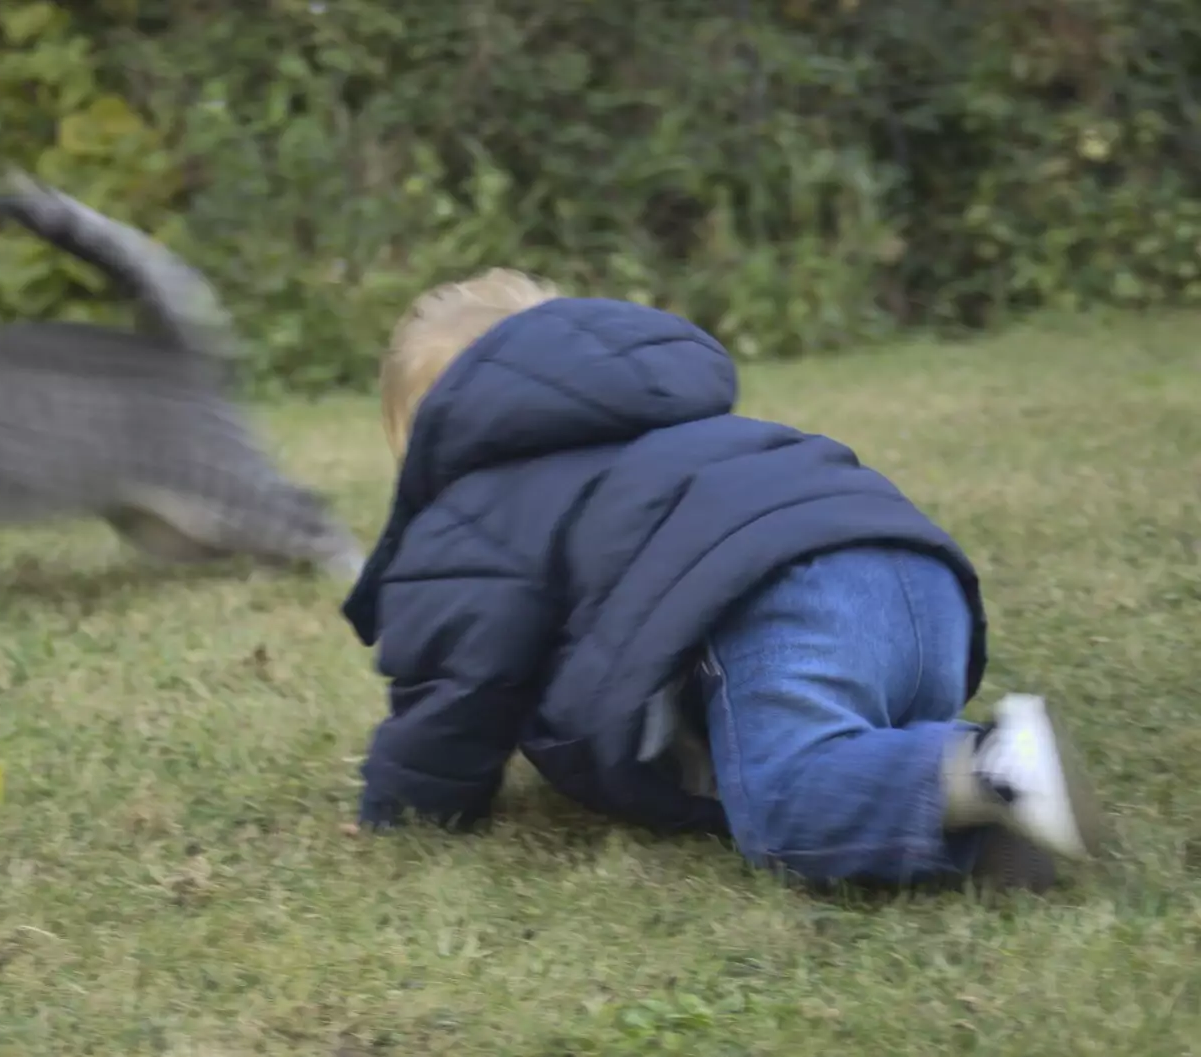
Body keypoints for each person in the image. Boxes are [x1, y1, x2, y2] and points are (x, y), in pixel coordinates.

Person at [339, 269, 1107, 892]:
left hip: (770, 597)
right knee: (813, 758)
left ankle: (996, 768)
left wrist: (407, 809)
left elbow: (454, 687)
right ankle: (985, 828)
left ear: (433, 432)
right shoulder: (664, 429)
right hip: (920, 576)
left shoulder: (478, 508)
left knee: (781, 803)